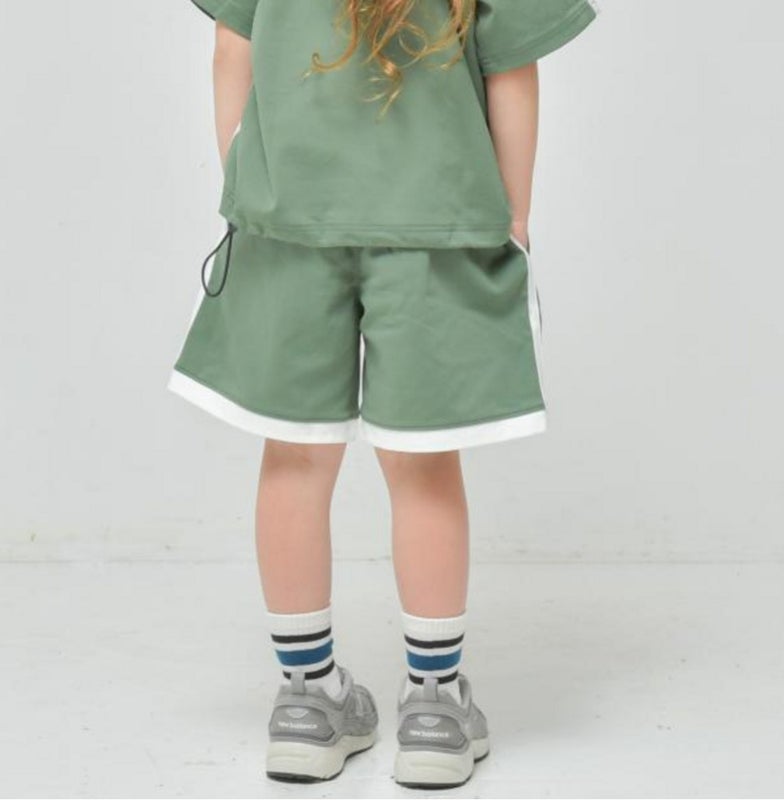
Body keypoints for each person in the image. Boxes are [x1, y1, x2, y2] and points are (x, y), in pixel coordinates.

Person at [168, 0, 597, 788]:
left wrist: (248, 177)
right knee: (422, 464)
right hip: (437, 222)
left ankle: (307, 698)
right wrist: (514, 218)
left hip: (289, 223)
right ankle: (435, 708)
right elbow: (512, 71)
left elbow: (232, 49)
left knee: (294, 458)